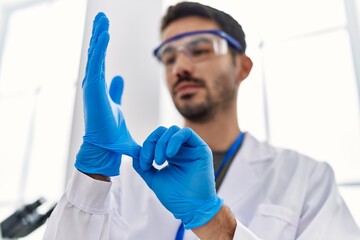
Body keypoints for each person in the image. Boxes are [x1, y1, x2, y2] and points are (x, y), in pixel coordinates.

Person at [43, 2, 360, 240]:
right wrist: (93, 174)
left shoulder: (306, 179)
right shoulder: (129, 182)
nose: (179, 65)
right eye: (169, 57)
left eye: (200, 49)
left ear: (242, 67)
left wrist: (215, 223)